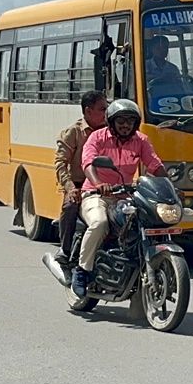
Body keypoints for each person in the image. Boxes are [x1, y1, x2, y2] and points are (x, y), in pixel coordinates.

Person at [74, 98, 165, 298]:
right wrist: (98, 183)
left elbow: (154, 164)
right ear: (111, 122)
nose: (125, 125)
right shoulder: (98, 137)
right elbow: (88, 162)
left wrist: (170, 184)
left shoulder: (140, 140)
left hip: (125, 196)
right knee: (99, 223)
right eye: (121, 121)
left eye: (130, 121)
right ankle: (82, 270)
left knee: (143, 223)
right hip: (95, 195)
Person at [52, 90, 107, 266]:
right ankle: (65, 250)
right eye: (102, 109)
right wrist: (70, 188)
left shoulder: (111, 131)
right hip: (79, 184)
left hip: (107, 184)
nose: (106, 113)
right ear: (89, 111)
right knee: (70, 206)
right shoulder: (74, 133)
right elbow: (60, 163)